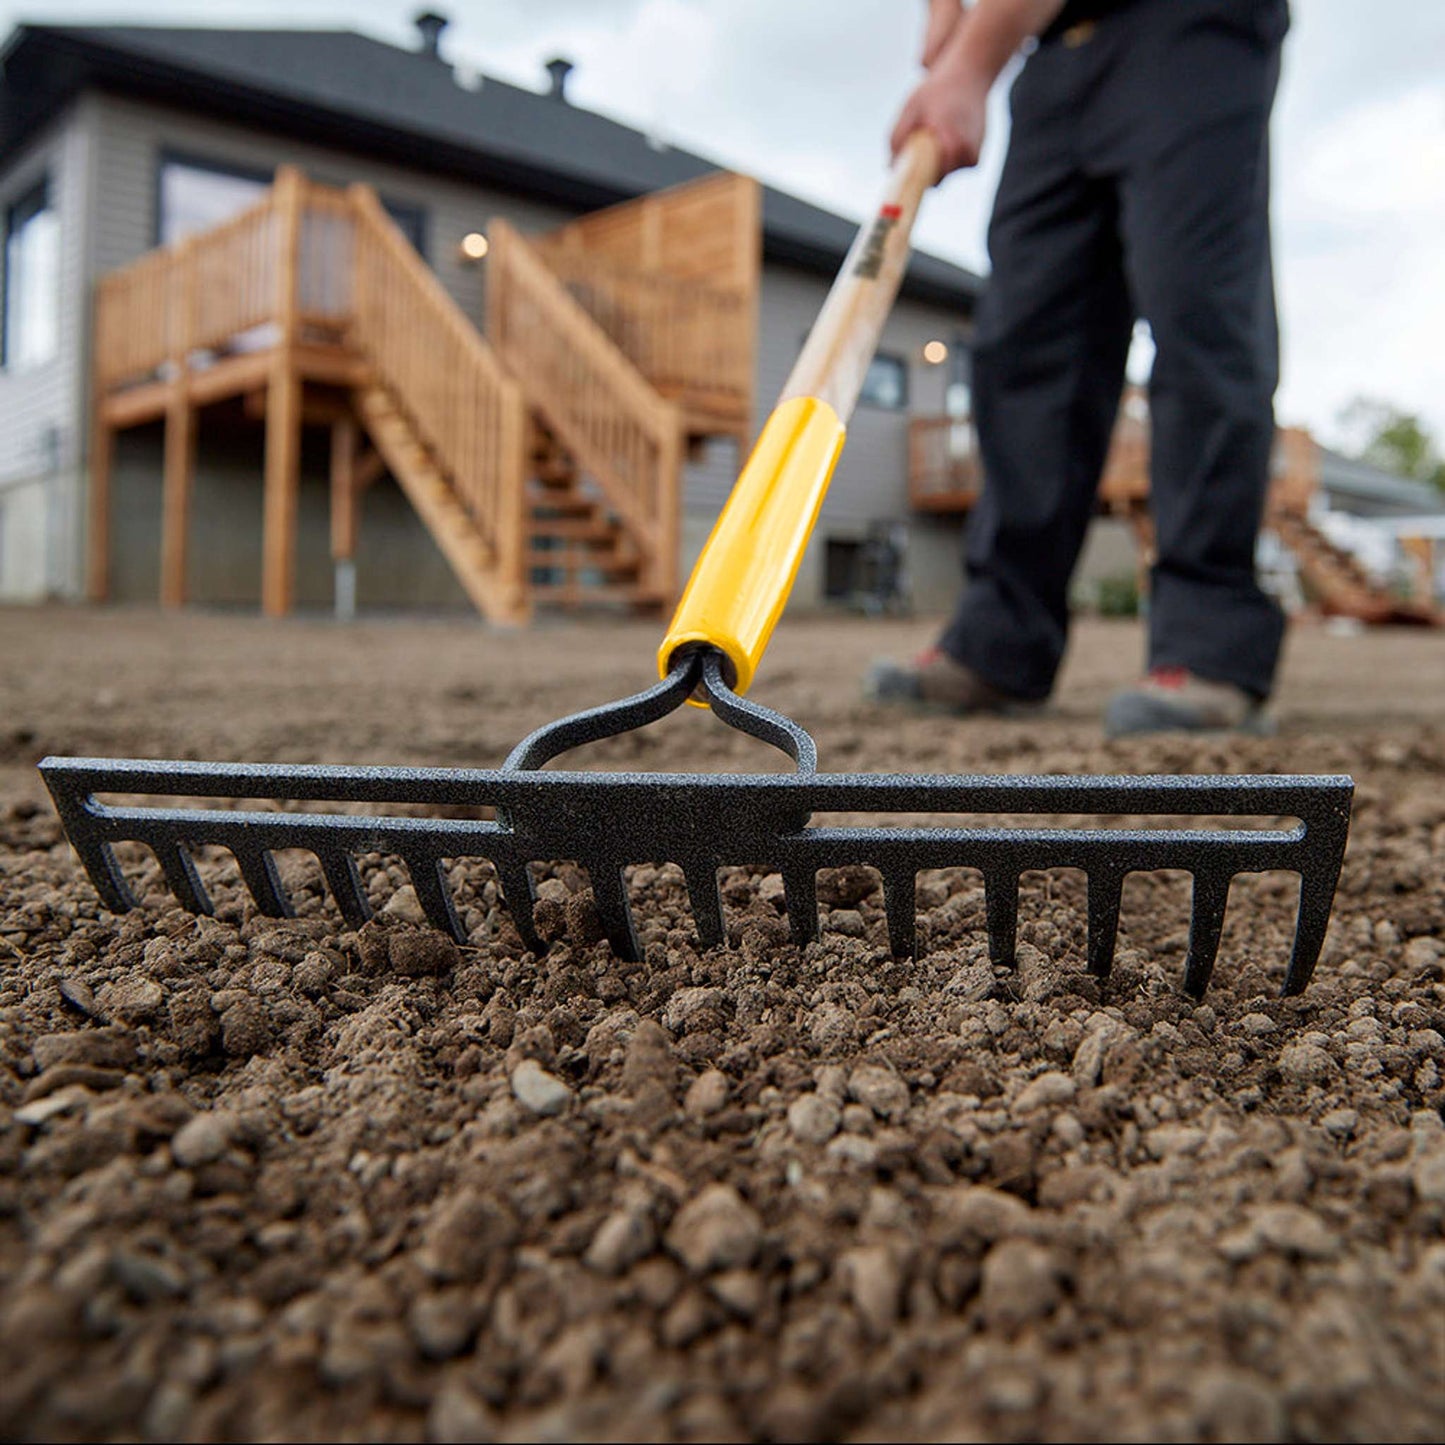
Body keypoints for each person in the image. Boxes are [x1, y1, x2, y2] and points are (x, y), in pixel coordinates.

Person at [866, 0, 1290, 735]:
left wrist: (969, 66)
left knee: (1198, 313)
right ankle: (1000, 637)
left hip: (1185, 26)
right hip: (1054, 46)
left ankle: (1207, 639)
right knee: (1026, 339)